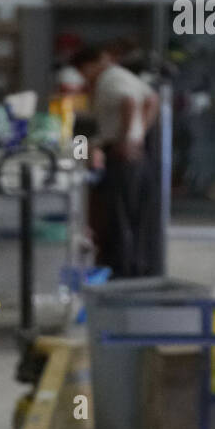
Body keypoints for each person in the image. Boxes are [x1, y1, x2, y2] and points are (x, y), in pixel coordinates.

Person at [72, 44, 160, 278]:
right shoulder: (122, 75)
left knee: (119, 215)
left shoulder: (108, 80)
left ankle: (121, 271)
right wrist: (138, 135)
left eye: (84, 72)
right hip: (133, 152)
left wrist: (127, 139)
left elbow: (129, 103)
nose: (85, 78)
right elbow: (151, 100)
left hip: (123, 155)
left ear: (90, 66)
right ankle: (135, 268)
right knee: (133, 214)